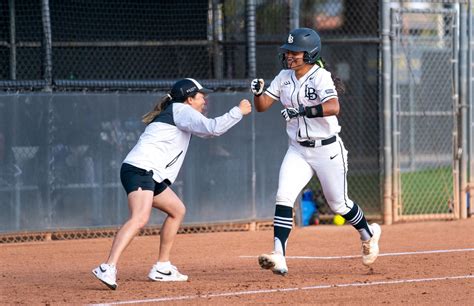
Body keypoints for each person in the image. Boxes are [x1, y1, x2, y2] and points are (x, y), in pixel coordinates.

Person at [92, 78, 252, 289]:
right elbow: (213, 128)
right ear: (189, 99)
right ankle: (108, 266)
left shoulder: (179, 111)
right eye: (201, 95)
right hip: (141, 170)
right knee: (140, 218)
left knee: (177, 210)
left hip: (150, 173)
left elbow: (206, 132)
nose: (205, 100)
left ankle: (162, 266)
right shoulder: (182, 110)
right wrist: (238, 111)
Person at [250, 28, 381, 276]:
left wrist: (301, 111)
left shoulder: (321, 77)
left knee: (339, 204)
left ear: (309, 53)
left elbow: (334, 107)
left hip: (327, 149)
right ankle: (279, 255)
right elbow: (262, 106)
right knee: (284, 197)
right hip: (298, 150)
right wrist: (258, 92)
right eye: (288, 52)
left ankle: (368, 234)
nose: (289, 56)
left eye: (295, 52)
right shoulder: (284, 76)